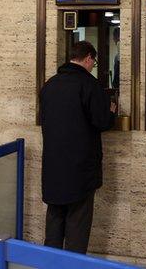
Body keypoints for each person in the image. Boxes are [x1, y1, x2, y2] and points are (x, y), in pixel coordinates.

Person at [40, 41, 117, 254]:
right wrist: (111, 111)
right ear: (88, 58)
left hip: (53, 169)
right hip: (79, 172)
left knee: (54, 223)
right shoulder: (89, 85)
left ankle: (49, 264)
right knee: (77, 228)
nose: (93, 65)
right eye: (93, 61)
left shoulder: (50, 85)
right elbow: (102, 122)